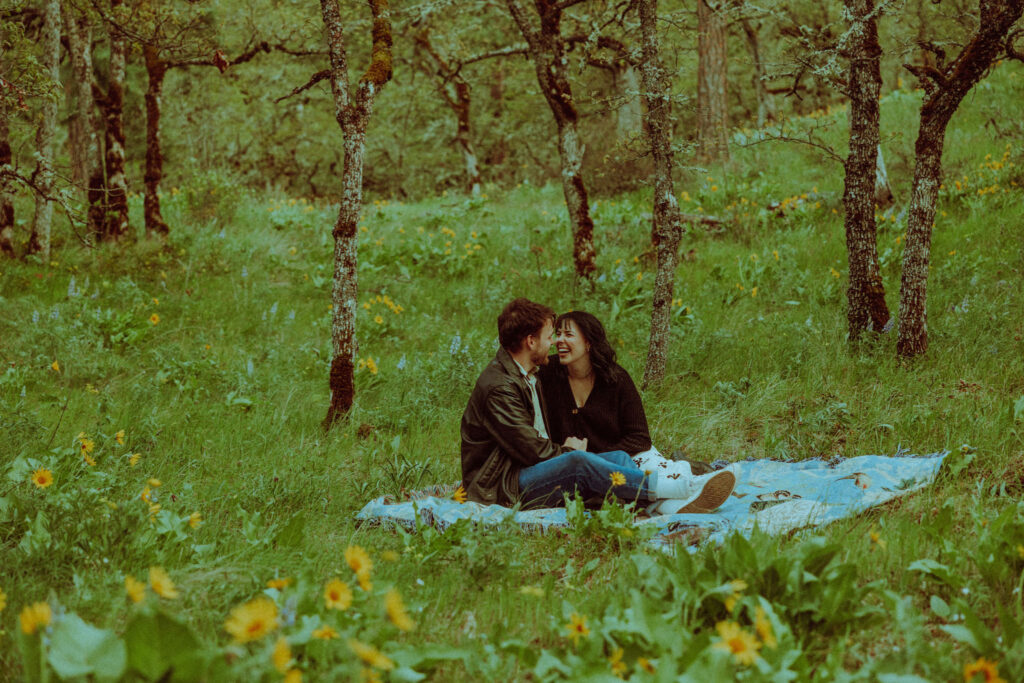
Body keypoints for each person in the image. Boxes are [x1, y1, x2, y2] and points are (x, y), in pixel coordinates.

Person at [460, 298, 734, 513]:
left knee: (618, 460)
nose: (554, 342)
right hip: (503, 484)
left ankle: (666, 505)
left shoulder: (527, 374)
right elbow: (532, 450)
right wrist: (569, 451)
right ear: (531, 342)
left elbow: (638, 436)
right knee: (579, 462)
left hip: (524, 470)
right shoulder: (500, 387)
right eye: (549, 336)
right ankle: (681, 487)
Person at [538, 310, 735, 514]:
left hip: (626, 453)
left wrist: (596, 457)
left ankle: (695, 484)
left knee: (647, 469)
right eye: (558, 334)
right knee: (634, 482)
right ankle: (686, 498)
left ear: (588, 342)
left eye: (568, 335)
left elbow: (640, 438)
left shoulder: (615, 378)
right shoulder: (547, 373)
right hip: (576, 464)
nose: (559, 340)